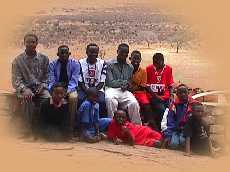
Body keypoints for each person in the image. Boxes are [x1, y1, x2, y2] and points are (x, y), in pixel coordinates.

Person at [12, 33, 50, 136]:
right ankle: (27, 130)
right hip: (26, 88)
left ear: (37, 43)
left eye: (33, 42)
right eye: (28, 42)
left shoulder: (44, 59)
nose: (30, 44)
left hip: (40, 88)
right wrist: (24, 89)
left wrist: (43, 85)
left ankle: (43, 128)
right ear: (24, 43)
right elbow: (16, 80)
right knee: (27, 98)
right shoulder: (17, 61)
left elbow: (47, 76)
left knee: (48, 99)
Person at [105, 43, 141, 124]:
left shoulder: (130, 67)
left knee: (134, 103)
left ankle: (137, 127)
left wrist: (128, 85)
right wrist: (125, 82)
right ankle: (112, 125)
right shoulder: (109, 64)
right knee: (110, 100)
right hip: (111, 89)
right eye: (122, 52)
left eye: (126, 53)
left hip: (124, 91)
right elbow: (110, 83)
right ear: (117, 51)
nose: (124, 55)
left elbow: (129, 81)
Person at [48, 45, 80, 134]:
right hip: (56, 88)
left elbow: (74, 81)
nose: (64, 55)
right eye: (62, 53)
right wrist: (56, 92)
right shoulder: (52, 64)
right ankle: (51, 125)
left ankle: (70, 126)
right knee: (49, 99)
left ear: (69, 54)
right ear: (58, 54)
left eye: (66, 53)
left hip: (69, 88)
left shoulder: (75, 64)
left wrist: (65, 92)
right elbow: (51, 80)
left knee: (73, 98)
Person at [161, 84, 197, 149]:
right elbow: (170, 120)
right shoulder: (174, 105)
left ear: (188, 93)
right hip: (176, 129)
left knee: (183, 141)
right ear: (177, 94)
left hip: (188, 130)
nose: (183, 94)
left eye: (185, 92)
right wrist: (168, 135)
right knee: (173, 145)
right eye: (180, 93)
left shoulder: (193, 104)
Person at [129, 50, 157, 129]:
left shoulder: (143, 71)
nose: (136, 61)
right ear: (130, 58)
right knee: (133, 105)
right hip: (129, 92)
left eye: (138, 59)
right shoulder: (127, 70)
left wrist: (133, 87)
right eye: (134, 58)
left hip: (140, 92)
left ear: (140, 60)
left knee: (146, 106)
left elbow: (142, 86)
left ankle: (151, 124)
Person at [145, 52, 174, 130]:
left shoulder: (168, 69)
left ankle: (168, 128)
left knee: (170, 110)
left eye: (158, 63)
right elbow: (147, 86)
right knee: (161, 109)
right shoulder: (148, 69)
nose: (156, 65)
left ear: (163, 61)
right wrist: (156, 96)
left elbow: (170, 84)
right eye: (155, 63)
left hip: (165, 96)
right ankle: (161, 129)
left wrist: (171, 95)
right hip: (153, 96)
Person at [78, 43, 107, 117]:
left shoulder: (103, 63)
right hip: (84, 89)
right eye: (91, 52)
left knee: (102, 101)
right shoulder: (80, 63)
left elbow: (102, 82)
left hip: (98, 89)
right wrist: (88, 92)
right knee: (80, 99)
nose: (93, 54)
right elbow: (80, 81)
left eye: (95, 52)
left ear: (98, 53)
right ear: (87, 52)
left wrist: (94, 92)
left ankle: (99, 121)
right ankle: (80, 121)